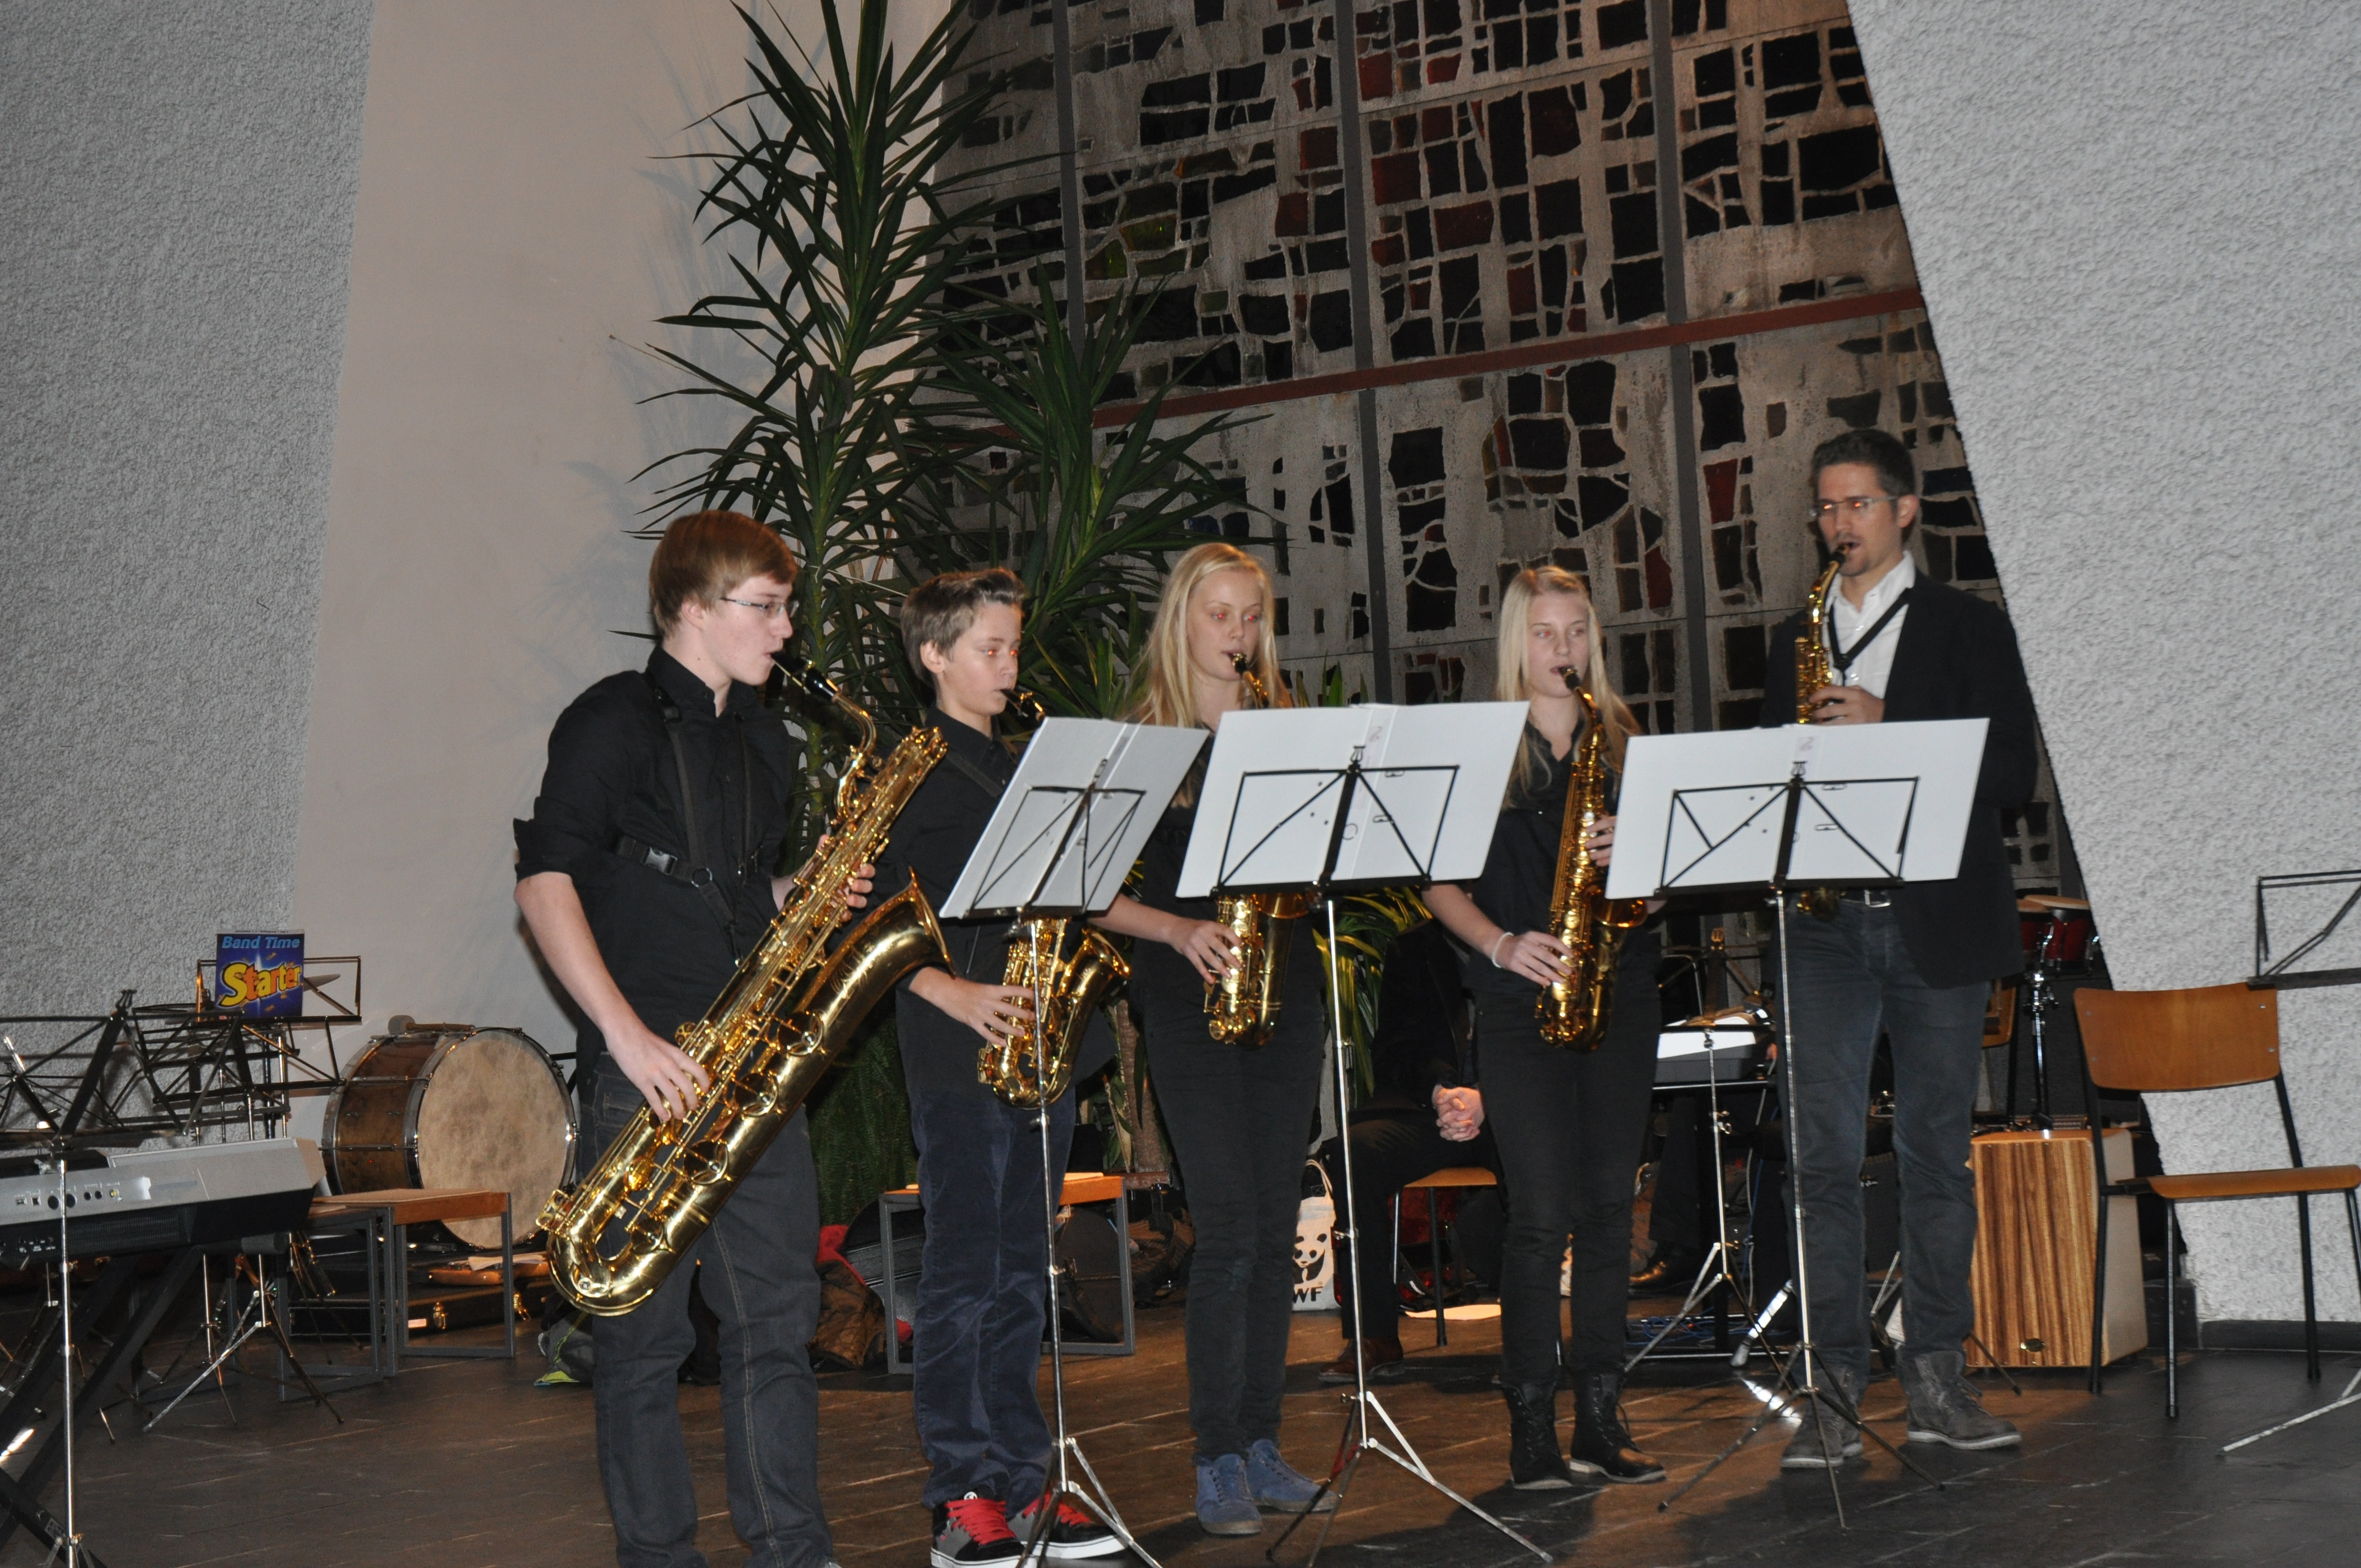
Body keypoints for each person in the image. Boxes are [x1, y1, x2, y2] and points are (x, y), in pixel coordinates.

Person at [514, 510, 844, 1568]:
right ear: (693, 607)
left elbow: (732, 898)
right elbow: (545, 881)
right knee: (643, 1342)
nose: (786, 628)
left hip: (751, 1068)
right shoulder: (610, 720)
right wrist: (626, 1038)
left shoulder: (764, 738)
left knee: (776, 1325)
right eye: (767, 607)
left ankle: (792, 1549)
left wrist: (807, 892)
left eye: (787, 607)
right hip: (647, 1070)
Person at [1757, 427, 2036, 1465]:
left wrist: (1890, 720)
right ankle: (1831, 1389)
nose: (1839, 524)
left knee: (1933, 1159)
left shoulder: (1968, 627)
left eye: (1858, 504)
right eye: (1826, 507)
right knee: (1821, 1163)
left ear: (1905, 509)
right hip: (1822, 926)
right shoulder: (1794, 637)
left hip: (1934, 921)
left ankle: (1936, 1383)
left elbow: (2010, 773)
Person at [868, 568, 1120, 1567]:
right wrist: (952, 991)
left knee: (1022, 1277)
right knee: (966, 1276)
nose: (1011, 665)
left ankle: (1023, 1480)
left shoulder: (1027, 767)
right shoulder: (907, 774)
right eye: (990, 648)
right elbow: (870, 921)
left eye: (1014, 646)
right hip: (956, 1047)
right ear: (934, 656)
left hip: (1036, 1042)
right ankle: (959, 1493)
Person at [1089, 541, 1338, 1536]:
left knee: (1275, 1226)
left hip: (1285, 989)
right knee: (1229, 1227)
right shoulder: (1142, 741)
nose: (1237, 634)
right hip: (1188, 992)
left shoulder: (1283, 730)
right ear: (1181, 622)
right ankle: (1215, 1457)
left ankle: (1262, 1441)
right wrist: (1177, 929)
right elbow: (1087, 891)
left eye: (1250, 616)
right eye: (1218, 614)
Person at [1422, 564, 1667, 1490]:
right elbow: (1434, 880)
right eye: (1543, 632)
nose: (1562, 649)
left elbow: (1663, 889)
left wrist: (1638, 860)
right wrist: (1498, 944)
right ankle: (1530, 1424)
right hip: (1517, 1000)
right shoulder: (1478, 747)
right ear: (1514, 643)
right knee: (1538, 1216)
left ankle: (1601, 1417)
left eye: (1575, 632)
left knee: (1607, 1211)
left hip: (1617, 992)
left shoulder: (1626, 741)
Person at [1315, 918, 1498, 1382]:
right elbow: (1395, 1050)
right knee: (1356, 1153)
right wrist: (1442, 1093)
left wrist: (1489, 1097)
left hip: (1514, 1109)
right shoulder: (1415, 948)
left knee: (1540, 1154)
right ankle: (1374, 1334)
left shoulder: (1532, 931)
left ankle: (1534, 1336)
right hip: (1434, 1111)